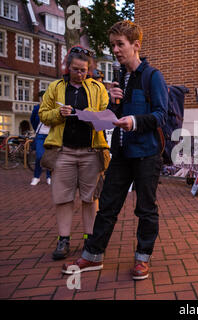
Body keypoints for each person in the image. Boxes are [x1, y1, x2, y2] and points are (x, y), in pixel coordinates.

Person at [62, 20, 168, 280]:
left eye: (120, 44)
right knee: (107, 205)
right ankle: (93, 254)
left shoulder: (153, 76)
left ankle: (142, 258)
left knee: (145, 208)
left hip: (146, 153)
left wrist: (134, 122)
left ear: (136, 45)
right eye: (113, 45)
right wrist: (112, 104)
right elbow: (118, 114)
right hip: (121, 152)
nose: (116, 50)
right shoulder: (121, 76)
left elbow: (161, 115)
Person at [39, 45, 110, 261]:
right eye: (76, 69)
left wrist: (93, 115)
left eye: (84, 70)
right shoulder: (55, 87)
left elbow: (107, 116)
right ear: (68, 66)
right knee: (63, 198)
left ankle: (90, 237)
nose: (80, 74)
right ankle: (64, 239)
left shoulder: (98, 88)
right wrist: (58, 113)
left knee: (90, 198)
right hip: (64, 152)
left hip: (90, 151)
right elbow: (43, 115)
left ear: (89, 69)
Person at [30, 90, 51, 186]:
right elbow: (33, 121)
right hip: (41, 135)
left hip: (51, 135)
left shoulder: (53, 108)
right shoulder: (37, 108)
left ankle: (49, 176)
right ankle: (36, 176)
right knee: (39, 156)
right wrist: (37, 130)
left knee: (50, 158)